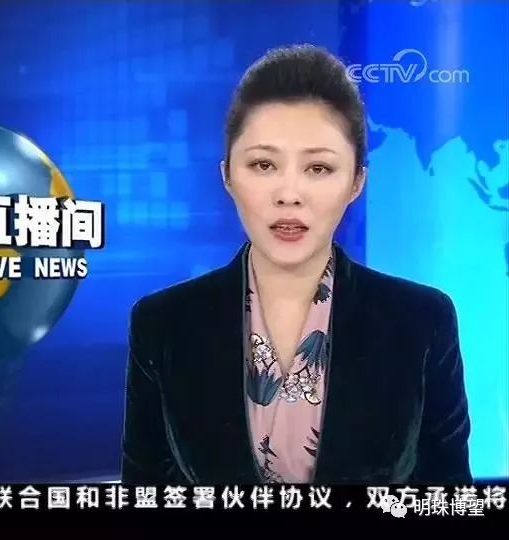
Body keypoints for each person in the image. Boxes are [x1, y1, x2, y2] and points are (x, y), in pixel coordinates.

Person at [120, 44, 472, 485]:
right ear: (227, 175)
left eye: (318, 168)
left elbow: (449, 496)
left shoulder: (422, 321)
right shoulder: (164, 324)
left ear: (356, 181)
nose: (289, 194)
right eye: (263, 164)